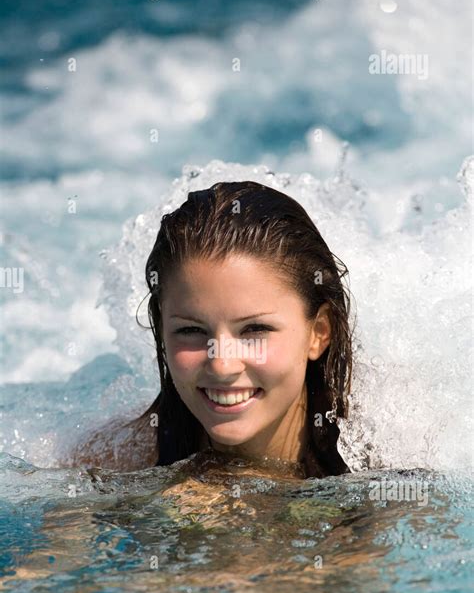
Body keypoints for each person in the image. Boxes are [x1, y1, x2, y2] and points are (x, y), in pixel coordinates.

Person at [71, 181, 353, 478]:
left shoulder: (386, 454)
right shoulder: (110, 464)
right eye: (191, 330)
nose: (221, 365)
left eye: (254, 330)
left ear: (319, 333)